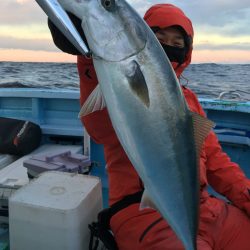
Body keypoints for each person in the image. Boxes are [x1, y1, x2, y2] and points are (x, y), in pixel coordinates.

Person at [49, 3, 250, 250]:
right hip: (141, 212)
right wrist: (87, 58)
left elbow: (217, 161)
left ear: (186, 53)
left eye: (178, 44)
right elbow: (99, 129)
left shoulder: (190, 101)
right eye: (159, 38)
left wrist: (247, 197)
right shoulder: (112, 81)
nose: (169, 47)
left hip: (203, 208)